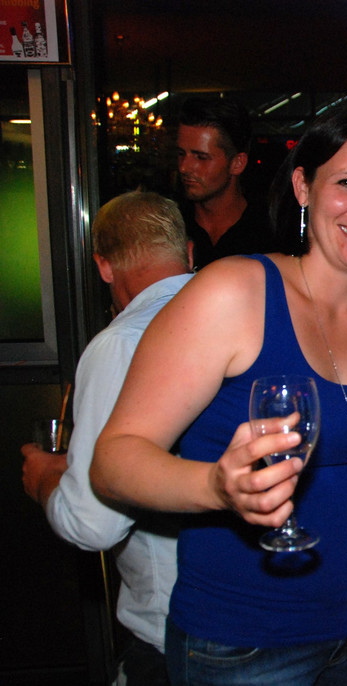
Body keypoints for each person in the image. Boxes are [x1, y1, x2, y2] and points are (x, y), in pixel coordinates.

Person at [92, 105, 347, 685]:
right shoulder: (234, 293)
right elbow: (113, 461)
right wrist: (215, 487)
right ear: (303, 187)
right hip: (245, 641)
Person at [21, 191, 193, 685]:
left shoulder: (121, 343)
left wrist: (47, 481)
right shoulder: (240, 315)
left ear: (103, 266)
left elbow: (95, 524)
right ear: (188, 254)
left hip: (175, 628)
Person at [175, 96, 274, 269]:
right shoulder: (169, 229)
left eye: (201, 157)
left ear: (237, 163)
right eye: (181, 154)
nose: (184, 167)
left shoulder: (269, 235)